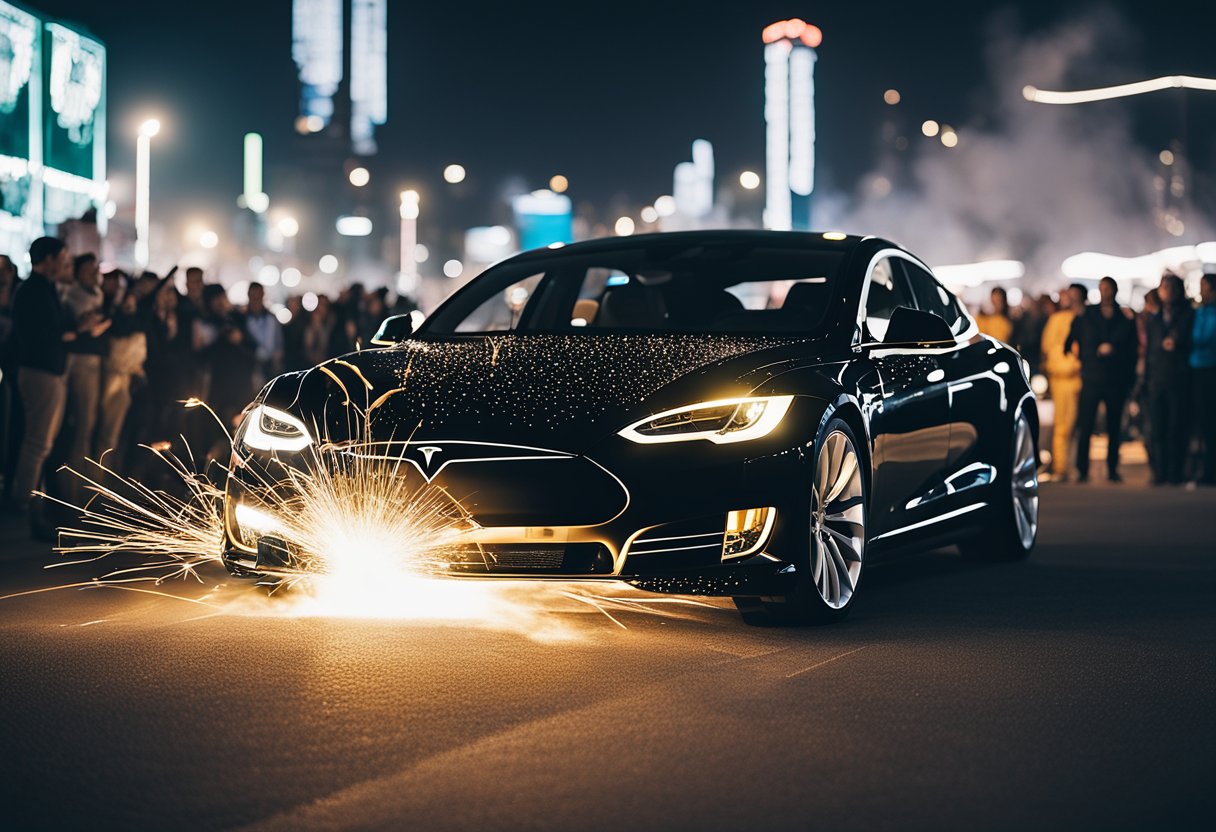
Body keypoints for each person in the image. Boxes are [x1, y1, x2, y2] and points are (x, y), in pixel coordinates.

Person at [11, 237, 88, 535]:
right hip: (40, 371)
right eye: (63, 258)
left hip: (46, 370)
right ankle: (24, 508)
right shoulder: (33, 290)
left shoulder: (40, 289)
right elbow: (42, 334)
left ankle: (33, 507)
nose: (66, 264)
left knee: (40, 442)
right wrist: (73, 331)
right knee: (37, 443)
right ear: (49, 259)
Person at [1067, 276, 1138, 483]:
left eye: (1108, 288)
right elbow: (1073, 338)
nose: (1105, 292)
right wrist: (1084, 357)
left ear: (1114, 290)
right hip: (1092, 377)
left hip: (1115, 379)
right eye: (1102, 288)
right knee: (1086, 424)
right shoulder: (1088, 314)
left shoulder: (1124, 316)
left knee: (1114, 425)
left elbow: (1131, 347)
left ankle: (1112, 468)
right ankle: (1082, 468)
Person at [60, 253, 110, 495]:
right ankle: (73, 484)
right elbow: (86, 326)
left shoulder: (97, 294)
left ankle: (85, 480)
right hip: (81, 361)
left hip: (97, 360)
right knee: (82, 421)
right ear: (79, 273)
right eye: (90, 271)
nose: (95, 275)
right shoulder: (74, 295)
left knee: (91, 421)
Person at [1143, 274, 1192, 485]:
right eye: (1164, 287)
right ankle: (1159, 473)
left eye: (1171, 287)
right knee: (1157, 428)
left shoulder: (1187, 314)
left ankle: (1175, 473)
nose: (1167, 291)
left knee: (1176, 428)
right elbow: (1149, 351)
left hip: (1179, 377)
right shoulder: (1154, 318)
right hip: (1157, 378)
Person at [1040, 284, 1085, 481]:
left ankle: (1070, 467)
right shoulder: (1058, 320)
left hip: (1074, 377)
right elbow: (1048, 346)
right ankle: (1062, 467)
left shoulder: (1081, 319)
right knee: (1064, 425)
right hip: (1064, 378)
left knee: (1073, 425)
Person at [1191, 273, 1216, 485]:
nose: (1201, 291)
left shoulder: (1208, 313)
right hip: (1198, 370)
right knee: (1204, 422)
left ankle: (1209, 469)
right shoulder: (1200, 312)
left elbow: (1202, 338)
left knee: (1209, 421)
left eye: (1204, 286)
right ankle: (1205, 468)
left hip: (1209, 368)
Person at [243, 282, 283, 389]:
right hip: (248, 366)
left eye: (258, 296)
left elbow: (278, 344)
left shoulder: (271, 318)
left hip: (269, 367)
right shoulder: (242, 319)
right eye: (253, 297)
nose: (256, 300)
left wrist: (276, 363)